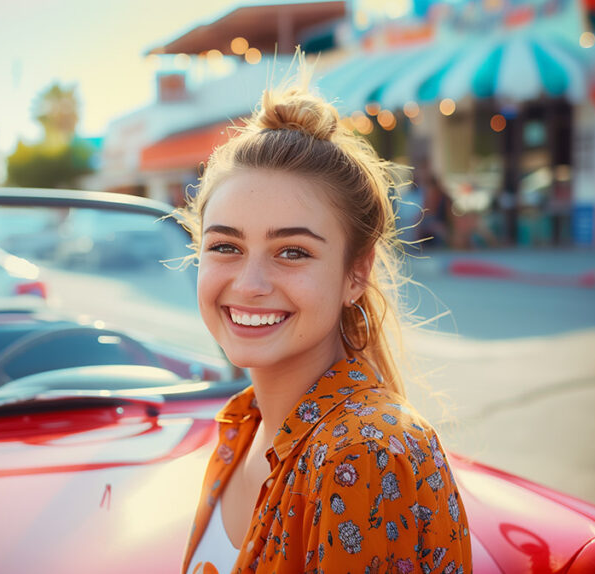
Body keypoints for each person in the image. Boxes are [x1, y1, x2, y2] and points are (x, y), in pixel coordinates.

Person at [174, 65, 472, 574]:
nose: (249, 283)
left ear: (356, 273)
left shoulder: (359, 453)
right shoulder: (243, 425)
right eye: (225, 246)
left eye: (292, 252)